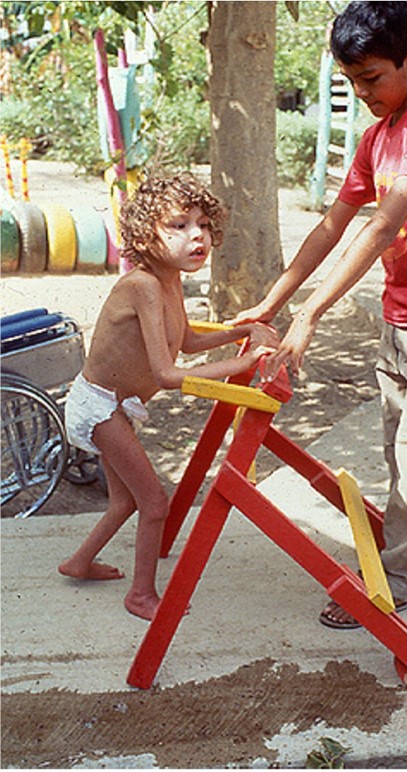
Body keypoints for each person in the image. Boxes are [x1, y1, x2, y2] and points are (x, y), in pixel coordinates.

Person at [230, 1, 407, 628]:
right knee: (400, 451)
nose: (362, 92)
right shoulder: (378, 137)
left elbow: (381, 226)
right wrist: (275, 301)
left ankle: (396, 582)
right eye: (351, 81)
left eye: (372, 78)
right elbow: (333, 225)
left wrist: (313, 313)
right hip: (400, 315)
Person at [59, 172, 278, 621]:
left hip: (113, 405)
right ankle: (140, 595)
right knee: (154, 503)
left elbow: (188, 340)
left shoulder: (169, 281)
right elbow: (167, 372)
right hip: (99, 406)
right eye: (178, 225)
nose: (195, 235)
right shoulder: (142, 285)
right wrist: (243, 364)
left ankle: (78, 562)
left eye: (201, 224)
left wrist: (242, 331)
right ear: (145, 234)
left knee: (124, 501)